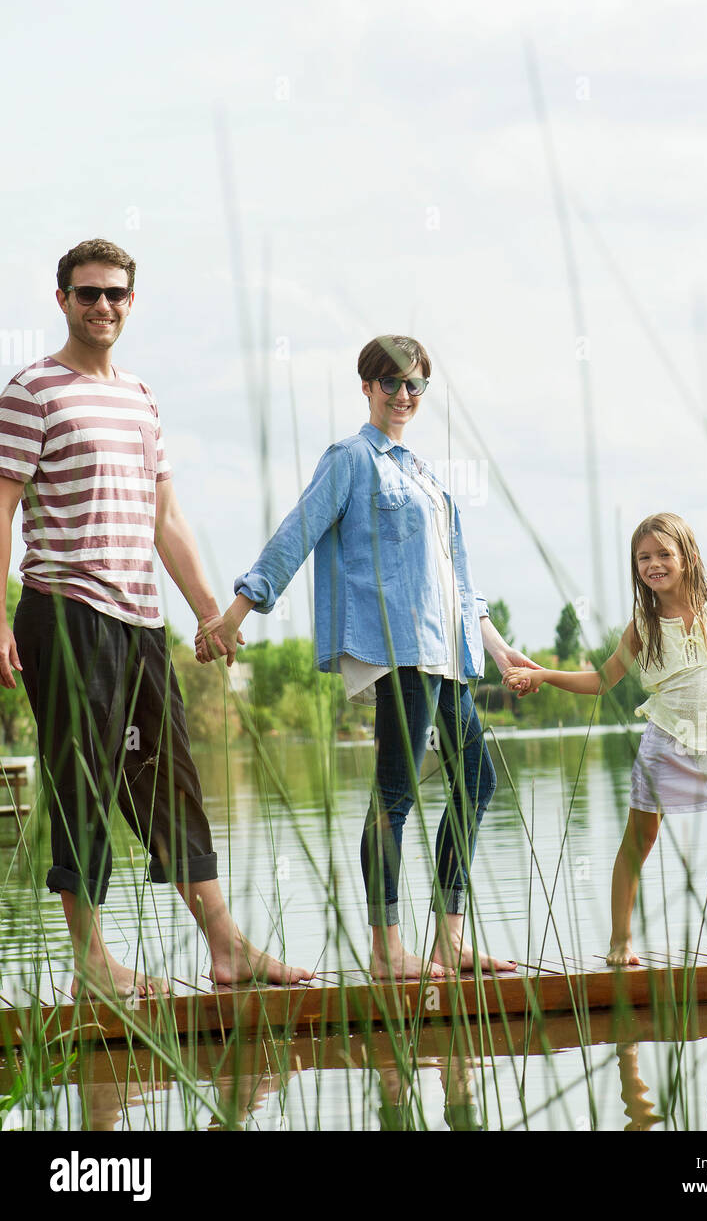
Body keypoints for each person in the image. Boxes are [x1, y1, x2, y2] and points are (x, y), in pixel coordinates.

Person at [0, 238, 312, 1000]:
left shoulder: (140, 397)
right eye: (86, 293)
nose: (101, 306)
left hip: (141, 622)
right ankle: (91, 962)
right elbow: (1, 509)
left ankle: (227, 947)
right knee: (83, 779)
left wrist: (210, 612)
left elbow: (166, 515)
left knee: (168, 779)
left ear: (131, 302)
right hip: (65, 613)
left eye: (114, 293)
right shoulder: (30, 391)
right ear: (62, 300)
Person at [197, 335, 532, 981]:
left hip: (448, 655)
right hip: (396, 651)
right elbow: (297, 531)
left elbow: (458, 577)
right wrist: (239, 610)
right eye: (391, 384)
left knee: (478, 781)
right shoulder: (351, 459)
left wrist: (495, 645)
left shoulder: (426, 476)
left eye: (415, 386)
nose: (403, 396)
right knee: (394, 798)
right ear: (367, 387)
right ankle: (386, 950)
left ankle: (449, 940)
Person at [504, 512, 707, 966]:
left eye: (664, 554)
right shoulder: (645, 624)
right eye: (644, 557)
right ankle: (620, 940)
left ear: (688, 557)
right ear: (636, 566)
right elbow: (601, 681)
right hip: (666, 749)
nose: (653, 564)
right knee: (637, 843)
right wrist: (542, 673)